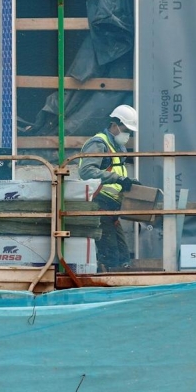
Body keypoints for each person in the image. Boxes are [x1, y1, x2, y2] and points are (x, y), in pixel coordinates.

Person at [79, 104, 141, 271]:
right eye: (125, 129)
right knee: (111, 254)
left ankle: (118, 282)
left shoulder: (116, 147)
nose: (128, 134)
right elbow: (86, 171)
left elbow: (115, 173)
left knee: (123, 256)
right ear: (114, 125)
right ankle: (107, 286)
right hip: (98, 203)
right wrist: (119, 178)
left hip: (111, 207)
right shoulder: (99, 143)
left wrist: (128, 182)